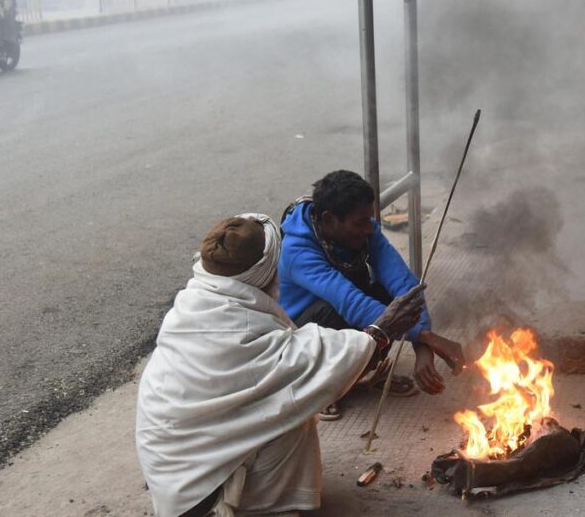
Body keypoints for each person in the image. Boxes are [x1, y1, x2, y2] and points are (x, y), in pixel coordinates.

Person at [136, 214, 425, 517]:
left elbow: (293, 357)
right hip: (198, 498)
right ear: (262, 274)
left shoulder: (197, 299)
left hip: (173, 480)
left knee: (285, 400)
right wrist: (382, 330)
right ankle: (265, 509)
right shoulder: (239, 324)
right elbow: (312, 363)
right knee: (291, 409)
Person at [279, 170, 466, 419]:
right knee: (334, 315)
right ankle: (319, 389)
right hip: (303, 331)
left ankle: (360, 374)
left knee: (389, 298)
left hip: (344, 310)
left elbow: (403, 282)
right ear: (328, 219)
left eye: (370, 219)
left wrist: (423, 345)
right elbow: (350, 302)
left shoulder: (365, 228)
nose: (369, 228)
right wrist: (426, 337)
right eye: (360, 223)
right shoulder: (297, 251)